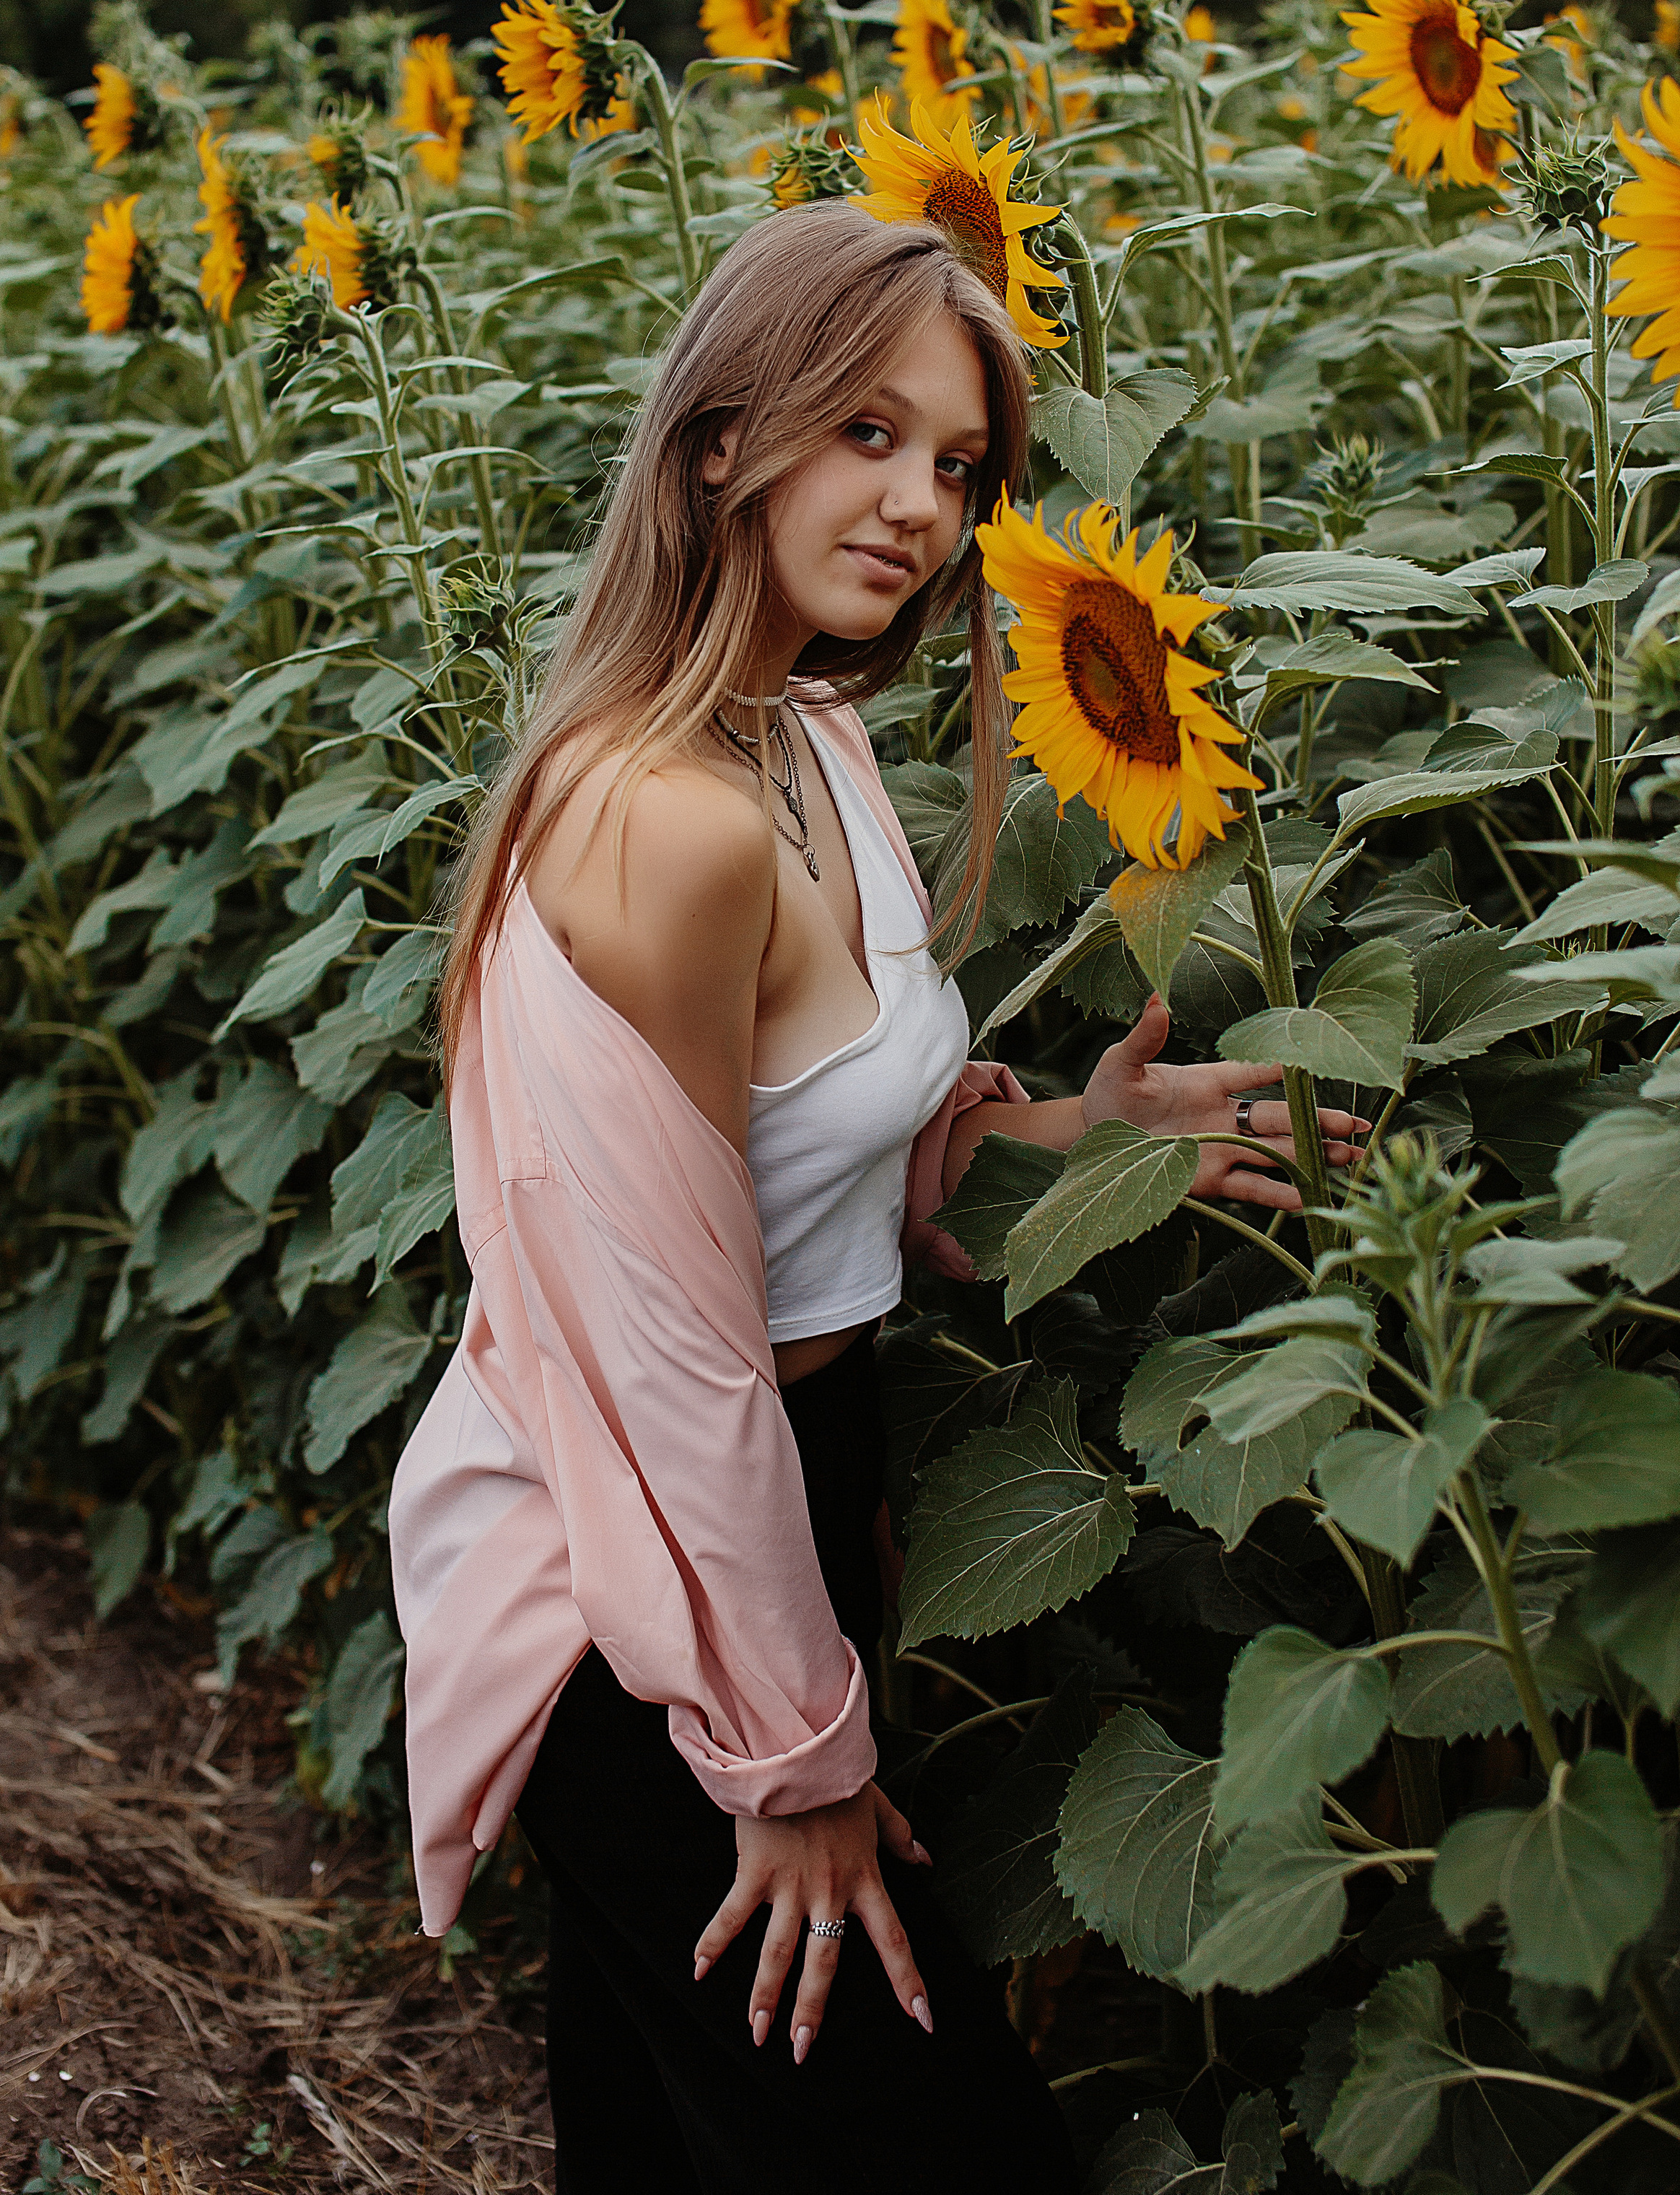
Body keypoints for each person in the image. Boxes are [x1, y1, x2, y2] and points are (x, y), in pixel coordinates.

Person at [390, 202, 1362, 2191]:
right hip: (640, 1595)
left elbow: (784, 1160)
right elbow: (669, 1346)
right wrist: (789, 1756)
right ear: (724, 437)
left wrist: (1067, 1145)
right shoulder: (658, 820)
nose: (920, 503)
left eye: (959, 465)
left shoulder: (810, 745)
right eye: (868, 434)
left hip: (777, 1514)